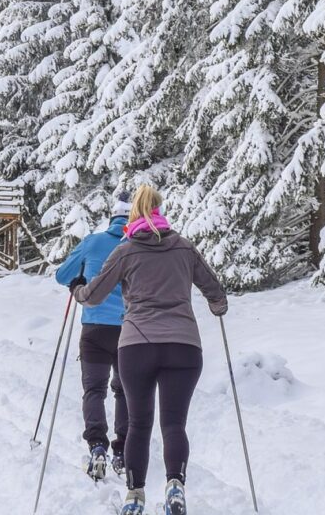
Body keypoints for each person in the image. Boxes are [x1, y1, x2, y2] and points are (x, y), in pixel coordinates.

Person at [70, 184, 228, 515]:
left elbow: (95, 294)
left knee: (140, 424)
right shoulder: (185, 248)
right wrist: (217, 306)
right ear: (160, 211)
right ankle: (175, 485)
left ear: (133, 216)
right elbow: (215, 290)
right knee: (174, 424)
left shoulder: (126, 251)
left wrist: (79, 291)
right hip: (184, 347)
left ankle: (135, 495)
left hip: (137, 346)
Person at [53, 193, 133, 481]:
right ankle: (122, 451)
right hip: (129, 330)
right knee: (124, 391)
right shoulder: (137, 245)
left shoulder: (93, 242)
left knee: (94, 390)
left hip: (95, 328)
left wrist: (79, 282)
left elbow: (63, 275)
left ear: (111, 218)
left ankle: (97, 445)